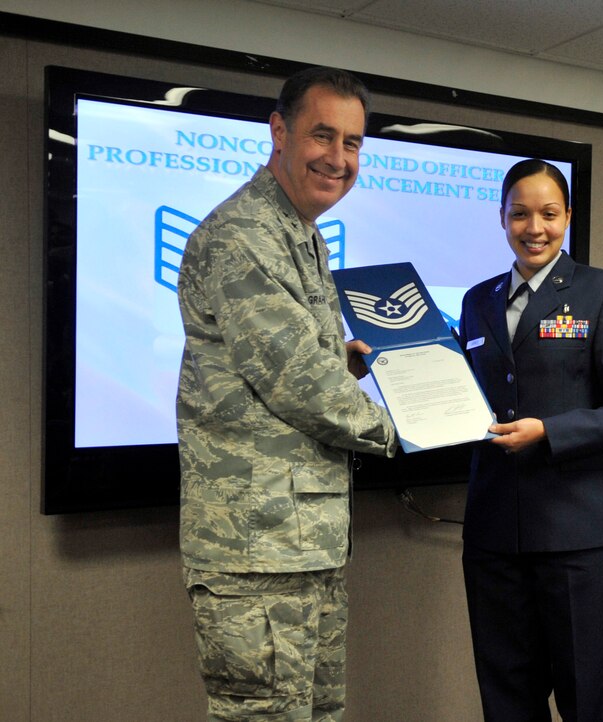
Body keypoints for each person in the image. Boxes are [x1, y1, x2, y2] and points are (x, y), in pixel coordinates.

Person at [175, 66, 397, 722]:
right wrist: (408, 426)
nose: (338, 157)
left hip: (302, 540)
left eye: (353, 142)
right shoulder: (245, 236)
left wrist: (347, 361)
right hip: (257, 548)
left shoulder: (300, 232)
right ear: (279, 131)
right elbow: (301, 384)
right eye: (323, 136)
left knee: (315, 713)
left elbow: (294, 362)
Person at [458, 158, 603, 721]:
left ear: (568, 216)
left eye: (548, 213)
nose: (534, 227)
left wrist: (550, 432)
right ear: (501, 218)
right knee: (506, 699)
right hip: (495, 535)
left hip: (577, 538)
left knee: (585, 697)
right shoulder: (478, 301)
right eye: (520, 214)